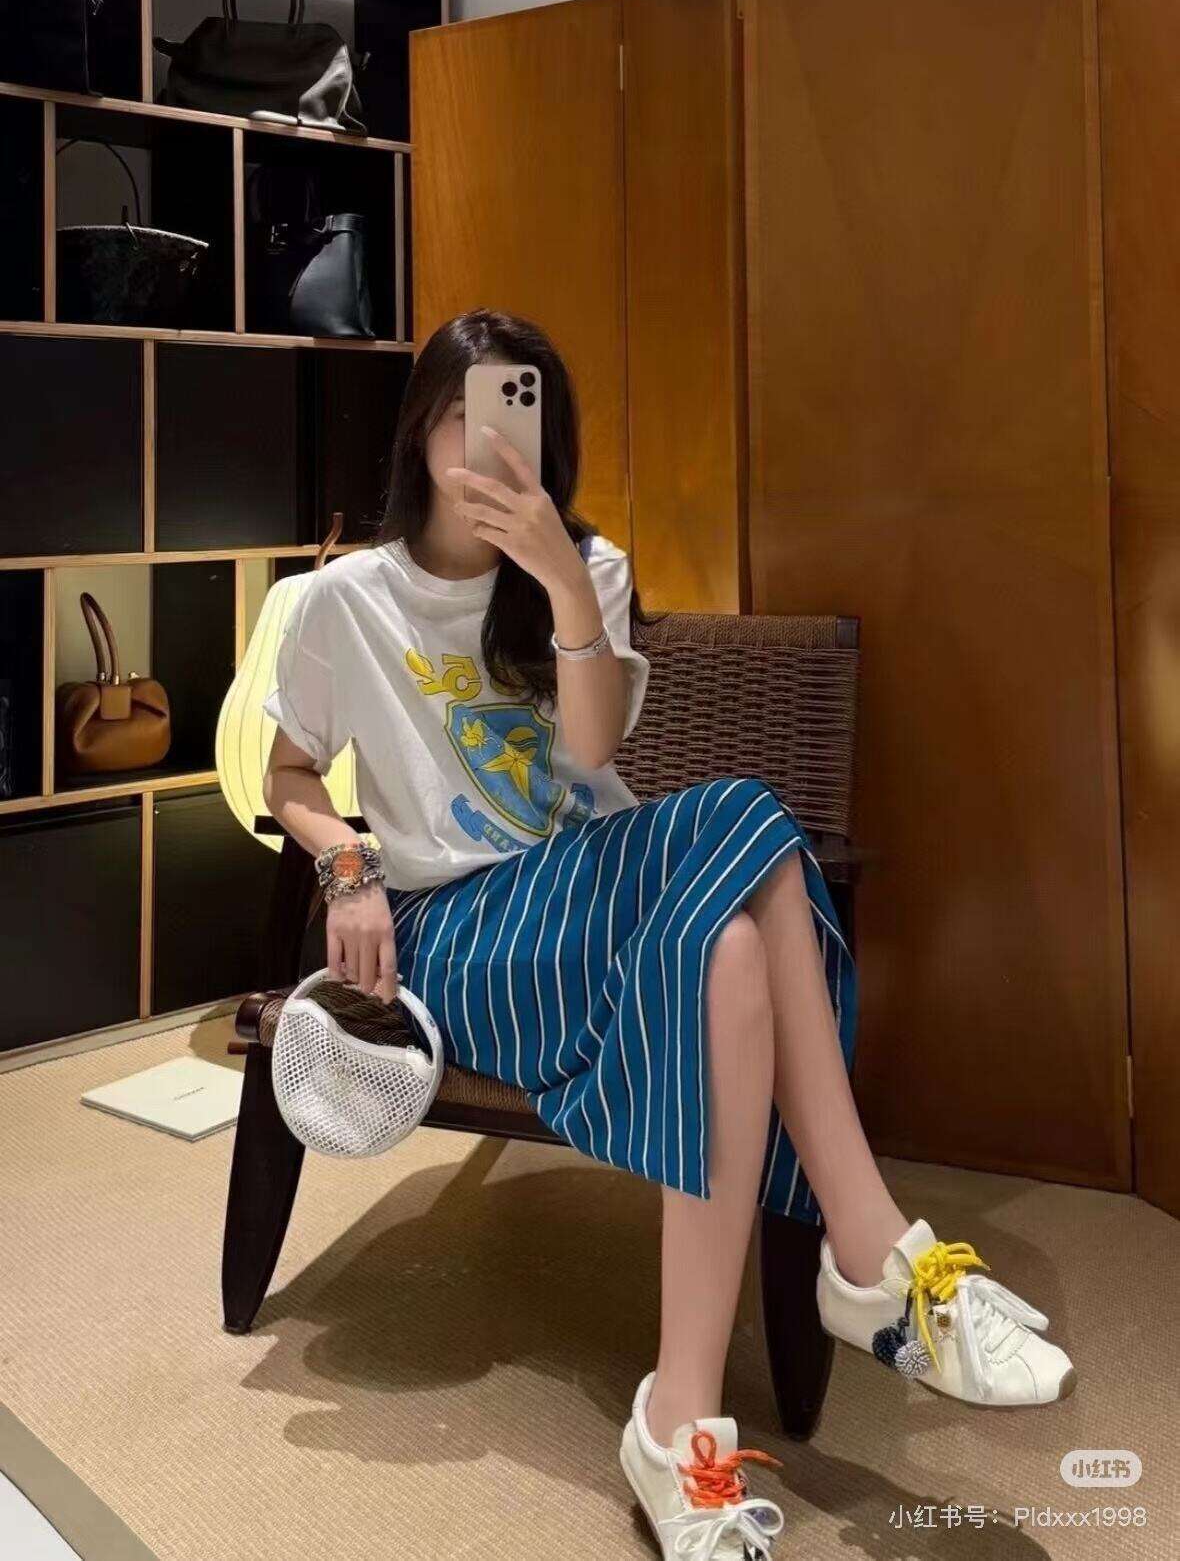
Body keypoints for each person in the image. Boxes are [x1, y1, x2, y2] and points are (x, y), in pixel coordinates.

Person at [262, 307, 1076, 1560]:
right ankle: (871, 1253)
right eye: (462, 417)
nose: (487, 447)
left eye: (516, 418)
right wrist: (350, 863)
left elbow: (590, 752)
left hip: (593, 891)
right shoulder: (342, 600)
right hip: (460, 932)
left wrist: (556, 582)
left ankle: (679, 1420)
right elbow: (290, 775)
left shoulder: (586, 569)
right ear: (419, 430)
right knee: (747, 817)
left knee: (735, 951)